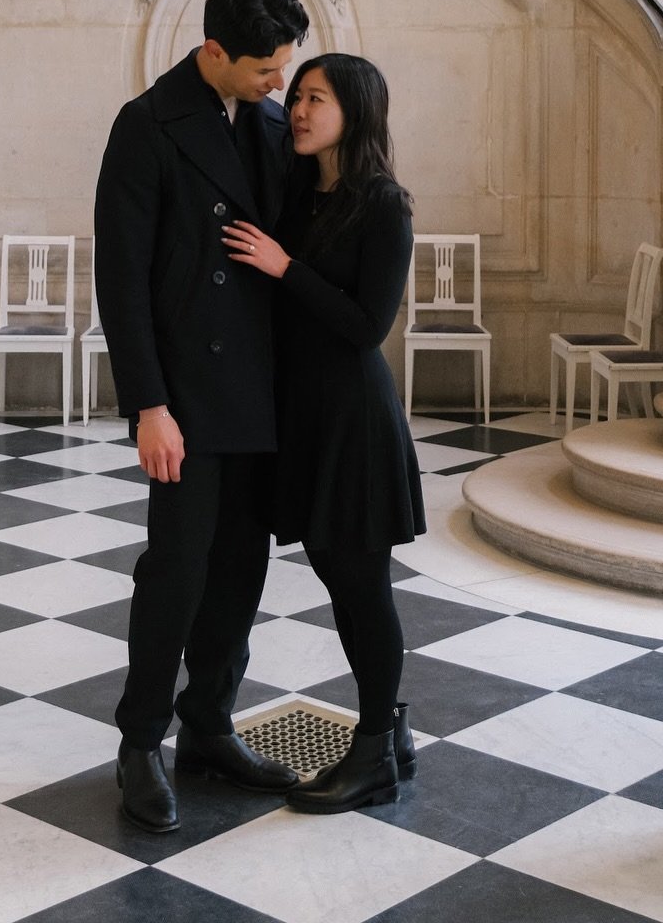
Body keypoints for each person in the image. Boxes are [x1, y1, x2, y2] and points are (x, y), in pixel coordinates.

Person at [94, 0, 311, 833]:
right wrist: (149, 405)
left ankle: (211, 726)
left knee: (240, 574)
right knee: (175, 575)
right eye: (265, 69)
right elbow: (123, 281)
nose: (279, 86)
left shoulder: (265, 124)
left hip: (260, 394)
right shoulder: (146, 127)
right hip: (186, 398)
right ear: (215, 52)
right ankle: (140, 740)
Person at [222, 52, 425, 815]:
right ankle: (390, 733)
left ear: (356, 112)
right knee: (341, 579)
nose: (299, 111)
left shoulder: (382, 204)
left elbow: (367, 326)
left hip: (355, 416)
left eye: (316, 99)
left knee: (360, 585)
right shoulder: (305, 196)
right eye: (298, 97)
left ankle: (373, 751)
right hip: (306, 416)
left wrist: (285, 269)